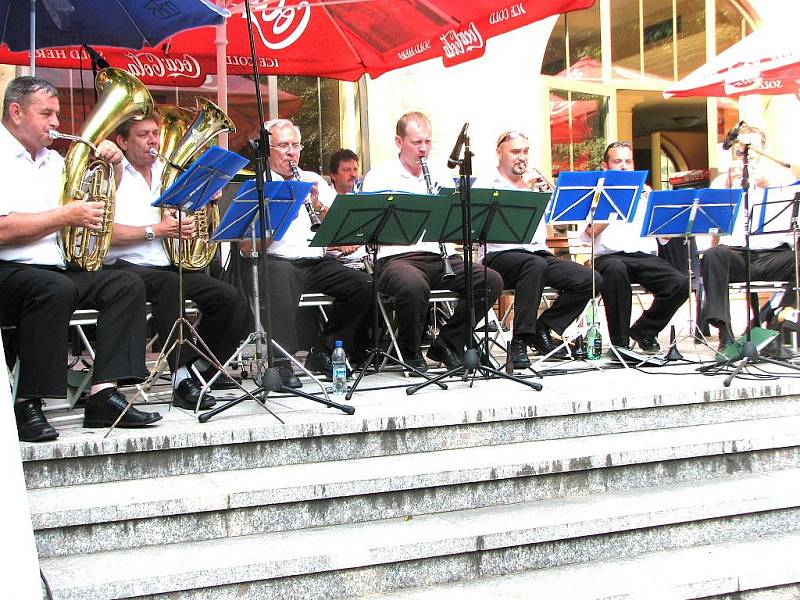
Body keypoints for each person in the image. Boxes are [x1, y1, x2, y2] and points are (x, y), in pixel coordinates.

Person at [0, 76, 162, 442]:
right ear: (16, 112)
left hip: (54, 268)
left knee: (125, 283)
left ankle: (104, 393)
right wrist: (64, 216)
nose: (57, 122)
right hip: (9, 269)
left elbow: (102, 193)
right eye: (47, 114)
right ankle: (27, 402)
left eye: (56, 114)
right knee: (53, 289)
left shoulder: (56, 159)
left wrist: (115, 164)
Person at [105, 115, 250, 410]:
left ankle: (200, 367)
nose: (153, 141)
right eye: (143, 134)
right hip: (123, 267)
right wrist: (156, 230)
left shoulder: (169, 173)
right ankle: (180, 379)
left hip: (167, 264)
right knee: (171, 286)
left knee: (230, 297)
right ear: (122, 141)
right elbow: (104, 234)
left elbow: (187, 218)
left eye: (156, 133)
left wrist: (205, 201)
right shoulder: (111, 175)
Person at [360, 111, 503, 371]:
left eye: (427, 142)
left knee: (489, 280)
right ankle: (410, 349)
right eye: (417, 143)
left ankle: (447, 342)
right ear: (399, 142)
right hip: (397, 257)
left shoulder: (439, 174)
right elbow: (368, 227)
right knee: (412, 284)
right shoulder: (379, 176)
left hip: (440, 256)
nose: (423, 149)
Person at [243, 119, 372, 387]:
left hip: (315, 262)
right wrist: (280, 217)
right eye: (283, 145)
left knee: (364, 285)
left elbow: (338, 231)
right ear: (268, 149)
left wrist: (319, 207)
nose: (291, 152)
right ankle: (281, 363)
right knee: (279, 277)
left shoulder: (312, 179)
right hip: (277, 262)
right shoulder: (258, 184)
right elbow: (245, 247)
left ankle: (323, 350)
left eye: (295, 145)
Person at [478, 131, 600, 368]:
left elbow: (565, 224)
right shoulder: (487, 183)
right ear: (499, 153)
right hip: (498, 255)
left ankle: (543, 328)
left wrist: (555, 198)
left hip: (538, 254)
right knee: (534, 265)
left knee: (590, 279)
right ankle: (519, 341)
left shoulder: (536, 185)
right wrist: (524, 193)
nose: (521, 157)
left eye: (525, 151)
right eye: (515, 152)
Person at [583, 141, 688, 353]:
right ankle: (620, 344)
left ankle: (644, 329)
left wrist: (656, 207)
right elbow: (589, 233)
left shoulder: (646, 193)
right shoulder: (596, 194)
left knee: (680, 283)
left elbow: (664, 236)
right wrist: (618, 205)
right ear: (606, 166)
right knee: (615, 271)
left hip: (645, 257)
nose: (624, 166)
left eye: (628, 161)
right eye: (617, 161)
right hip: (609, 258)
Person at [702, 126, 796, 350]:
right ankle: (725, 332)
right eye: (741, 149)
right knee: (713, 256)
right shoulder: (722, 183)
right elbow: (712, 233)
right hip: (738, 255)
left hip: (774, 254)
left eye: (751, 148)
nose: (746, 153)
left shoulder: (783, 179)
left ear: (763, 150)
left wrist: (769, 185)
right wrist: (728, 190)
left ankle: (778, 318)